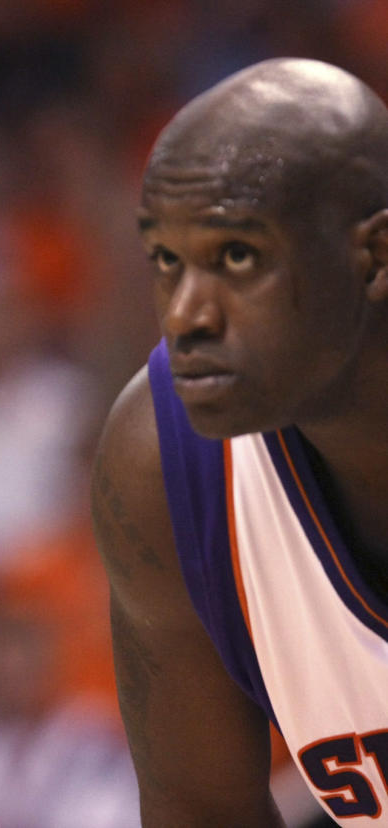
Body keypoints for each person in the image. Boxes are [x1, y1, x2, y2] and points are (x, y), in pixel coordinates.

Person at [94, 55, 388, 825]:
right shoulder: (165, 461)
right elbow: (198, 809)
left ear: (376, 256)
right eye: (167, 261)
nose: (188, 315)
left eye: (236, 257)